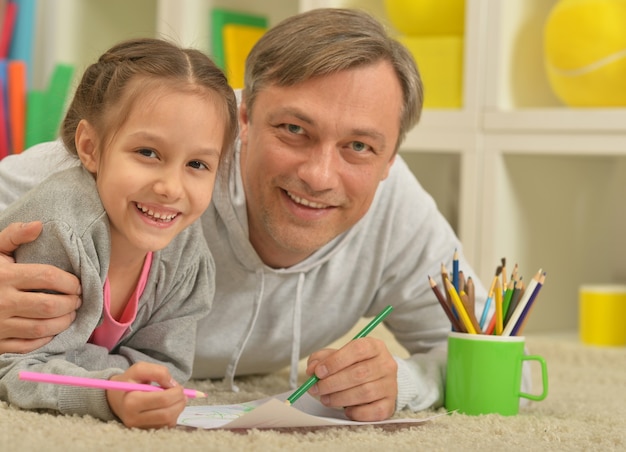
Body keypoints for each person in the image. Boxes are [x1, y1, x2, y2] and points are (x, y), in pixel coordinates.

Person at [0, 9, 486, 422]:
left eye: (359, 146)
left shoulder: (399, 212)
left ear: (391, 159)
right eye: (294, 129)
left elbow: (503, 353)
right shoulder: (161, 142)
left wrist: (404, 382)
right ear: (244, 117)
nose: (319, 175)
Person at [0, 37, 238, 428]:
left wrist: (130, 383)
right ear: (91, 148)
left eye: (197, 163)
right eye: (148, 153)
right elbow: (17, 370)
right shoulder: (57, 228)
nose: (171, 188)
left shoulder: (188, 254)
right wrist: (107, 389)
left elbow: (167, 368)